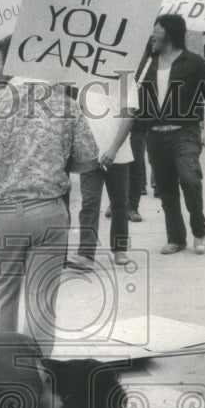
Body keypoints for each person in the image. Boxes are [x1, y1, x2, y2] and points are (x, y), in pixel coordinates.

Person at [0, 36, 98, 350]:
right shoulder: (66, 104)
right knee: (42, 302)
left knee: (3, 297)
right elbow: (88, 162)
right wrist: (57, 157)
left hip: (4, 214)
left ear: (10, 62)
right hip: (50, 212)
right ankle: (39, 375)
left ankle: (4, 377)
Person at [138, 14, 205, 255]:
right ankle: (176, 238)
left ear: (170, 32)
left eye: (157, 28)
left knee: (189, 179)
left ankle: (200, 232)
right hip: (155, 135)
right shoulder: (147, 64)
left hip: (185, 133)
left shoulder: (195, 63)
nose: (153, 33)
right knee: (166, 190)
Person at [71, 75, 139, 270]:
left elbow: (128, 117)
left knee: (120, 204)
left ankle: (119, 250)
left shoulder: (126, 80)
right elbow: (80, 116)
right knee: (89, 204)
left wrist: (113, 149)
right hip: (90, 155)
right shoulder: (85, 79)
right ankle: (86, 254)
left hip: (118, 154)